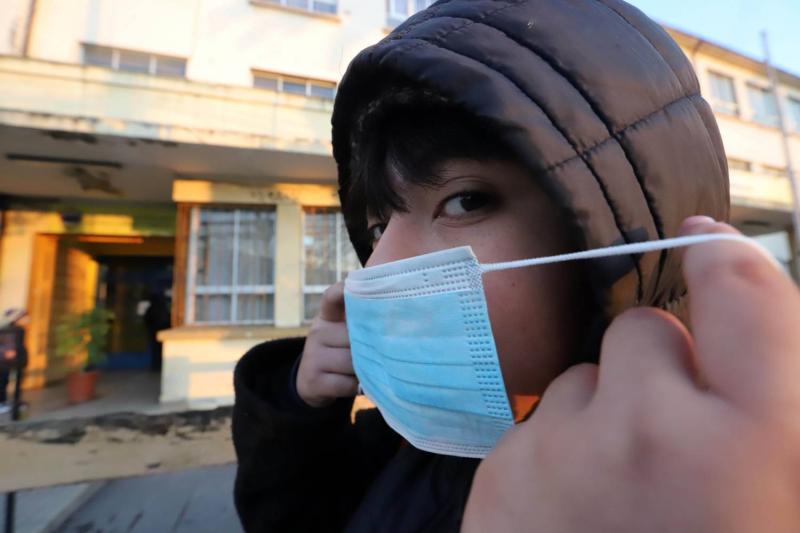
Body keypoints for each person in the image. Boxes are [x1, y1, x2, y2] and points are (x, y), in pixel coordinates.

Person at [231, 1, 799, 531]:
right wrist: (300, 413)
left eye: (466, 200)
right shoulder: (416, 439)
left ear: (603, 223)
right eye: (378, 227)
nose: (376, 267)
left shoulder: (715, 486)